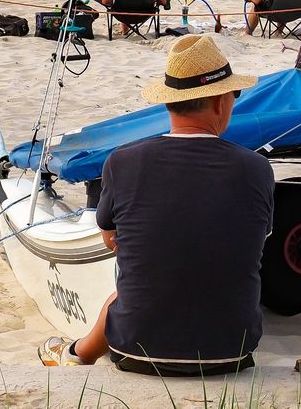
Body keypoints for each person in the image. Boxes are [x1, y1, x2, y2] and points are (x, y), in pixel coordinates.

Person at [38, 35, 274, 375]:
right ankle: (78, 352)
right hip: (231, 351)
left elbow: (109, 237)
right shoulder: (257, 168)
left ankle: (77, 353)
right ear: (222, 101)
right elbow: (251, 239)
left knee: (130, 286)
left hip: (136, 348)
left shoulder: (123, 162)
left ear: (168, 103)